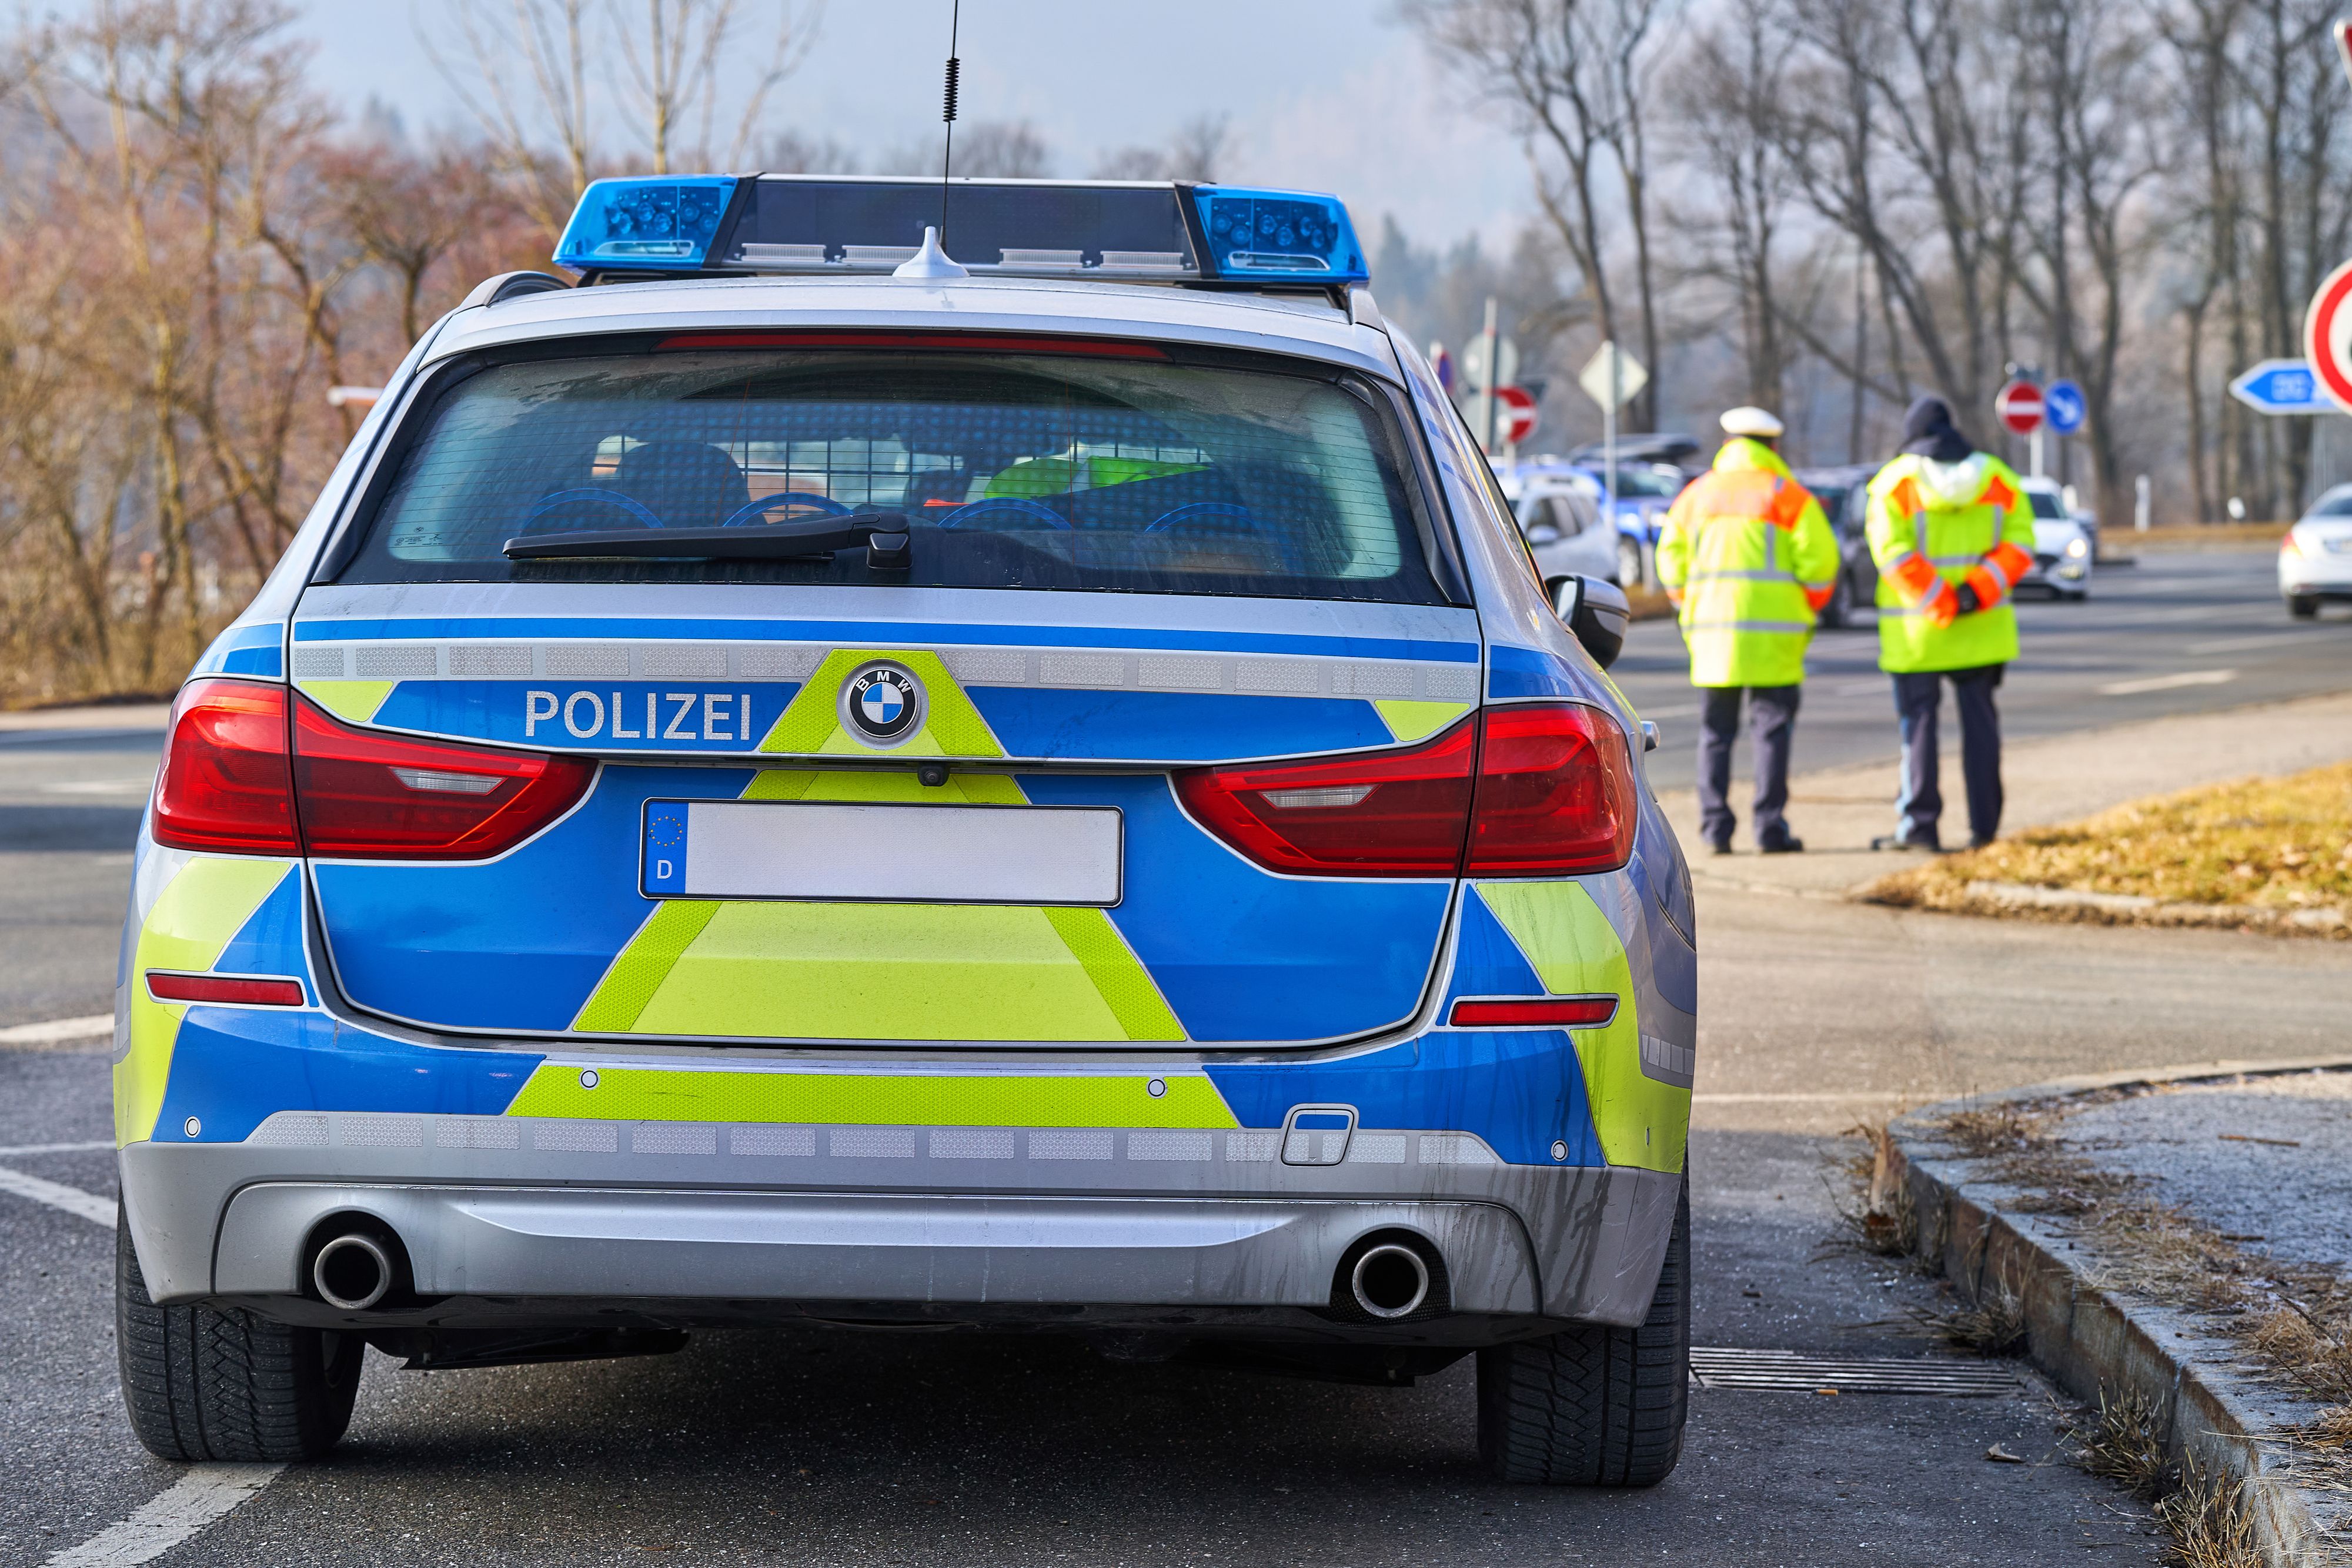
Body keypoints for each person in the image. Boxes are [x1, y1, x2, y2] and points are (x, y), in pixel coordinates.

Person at [1654, 406, 1840, 855]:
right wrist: (1805, 606)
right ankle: (1769, 828)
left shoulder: (1696, 495)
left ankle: (1716, 829)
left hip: (1713, 637)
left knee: (1716, 735)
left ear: (1728, 444)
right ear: (1773, 447)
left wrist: (1689, 605)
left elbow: (1669, 560)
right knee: (1772, 732)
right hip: (1776, 637)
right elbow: (1821, 566)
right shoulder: (1789, 495)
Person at [1864, 396, 2037, 852]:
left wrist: (1939, 602)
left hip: (1917, 632)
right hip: (1982, 629)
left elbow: (1894, 556)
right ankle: (1985, 829)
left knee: (1917, 729)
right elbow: (2021, 545)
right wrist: (1973, 593)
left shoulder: (1895, 483)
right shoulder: (1998, 478)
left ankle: (1920, 828)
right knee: (1981, 729)